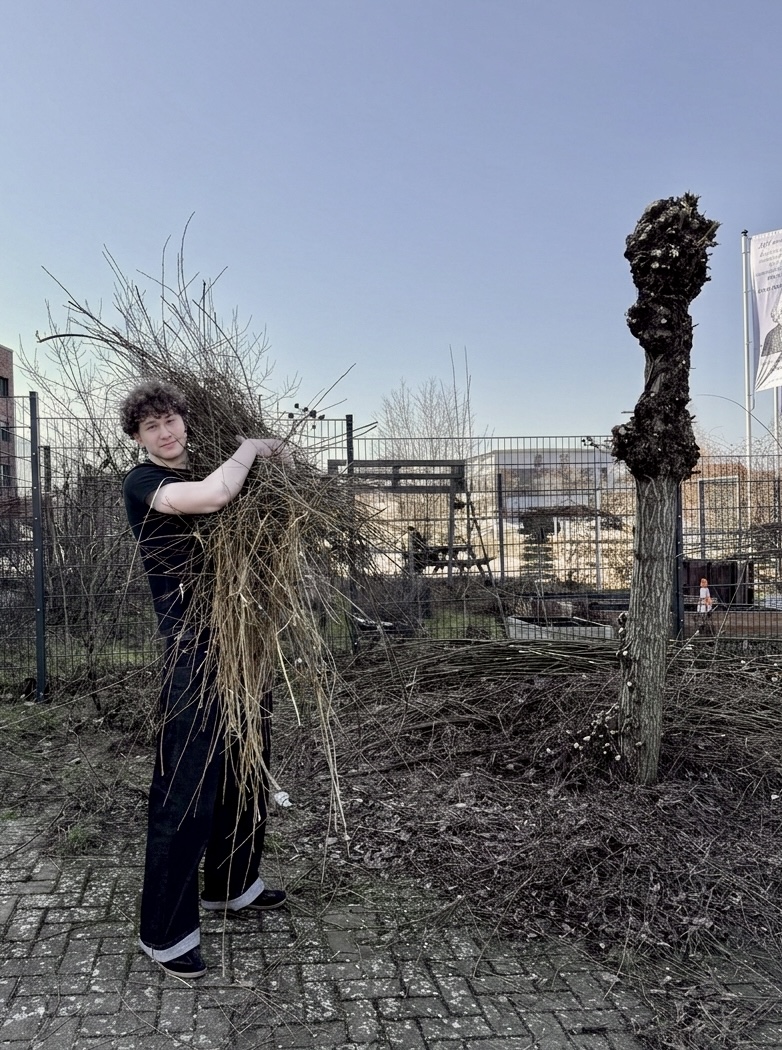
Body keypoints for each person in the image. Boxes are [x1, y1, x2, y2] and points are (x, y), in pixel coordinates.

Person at [120, 380, 292, 979]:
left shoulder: (209, 466)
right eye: (151, 427)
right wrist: (251, 446)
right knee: (187, 786)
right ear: (139, 438)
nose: (165, 434)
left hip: (241, 642)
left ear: (186, 422)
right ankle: (164, 933)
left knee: (247, 766)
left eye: (171, 420)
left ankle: (232, 884)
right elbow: (212, 496)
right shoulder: (146, 483)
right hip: (192, 651)